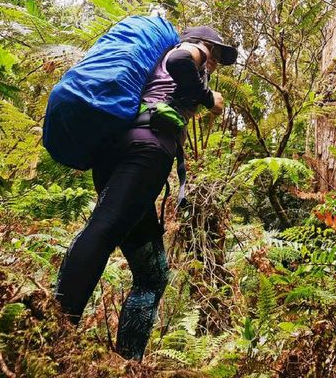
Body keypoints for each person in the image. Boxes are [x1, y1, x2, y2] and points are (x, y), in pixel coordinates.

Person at [54, 25, 238, 360]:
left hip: (118, 150)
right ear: (204, 45)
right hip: (147, 150)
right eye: (218, 55)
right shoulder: (190, 51)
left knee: (153, 275)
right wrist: (209, 99)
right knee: (105, 228)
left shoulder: (155, 66)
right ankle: (55, 329)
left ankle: (128, 362)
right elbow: (181, 62)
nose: (216, 64)